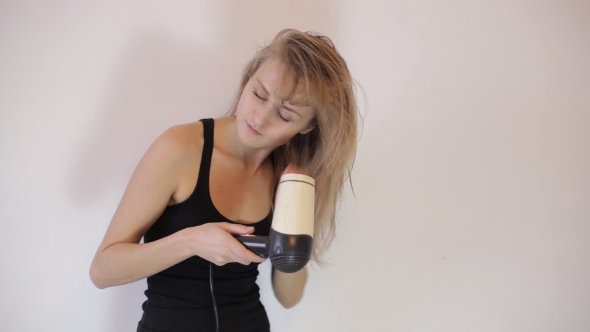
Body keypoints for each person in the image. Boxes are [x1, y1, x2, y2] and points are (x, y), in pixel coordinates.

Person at [89, 28, 360, 332]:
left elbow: (289, 297)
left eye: (285, 115)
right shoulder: (179, 149)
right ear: (248, 79)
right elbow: (103, 270)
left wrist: (295, 229)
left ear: (308, 127)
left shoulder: (289, 179)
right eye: (259, 94)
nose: (260, 118)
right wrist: (191, 241)